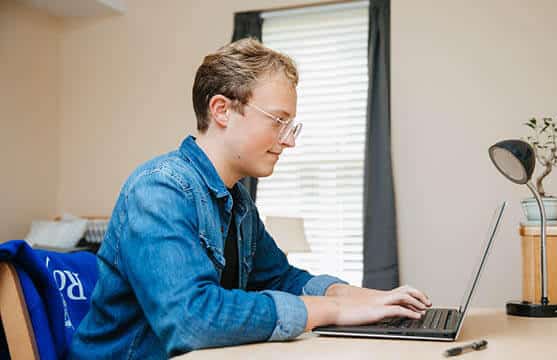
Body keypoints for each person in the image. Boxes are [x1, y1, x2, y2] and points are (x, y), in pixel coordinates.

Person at [70, 38, 430, 359]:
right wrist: (330, 310)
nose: (289, 141)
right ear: (222, 110)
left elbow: (281, 278)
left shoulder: (237, 202)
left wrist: (364, 298)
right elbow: (192, 320)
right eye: (278, 121)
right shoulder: (159, 190)